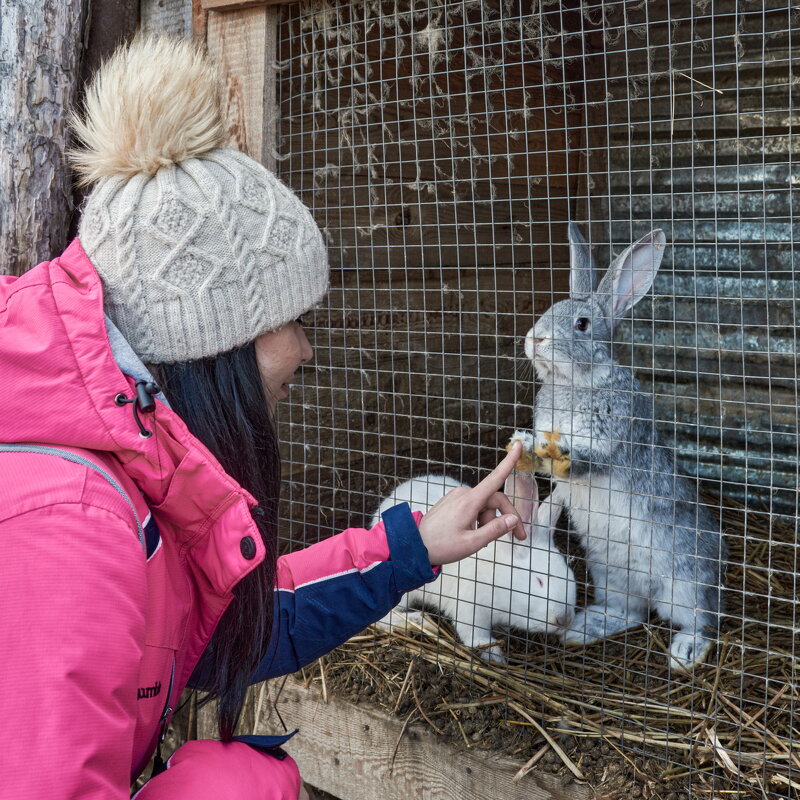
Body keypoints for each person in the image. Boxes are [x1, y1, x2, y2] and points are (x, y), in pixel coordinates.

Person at [0, 36, 526, 800]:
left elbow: (221, 630)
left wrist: (412, 549)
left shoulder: (134, 455)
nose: (305, 349)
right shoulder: (73, 529)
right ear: (215, 340)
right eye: (291, 321)